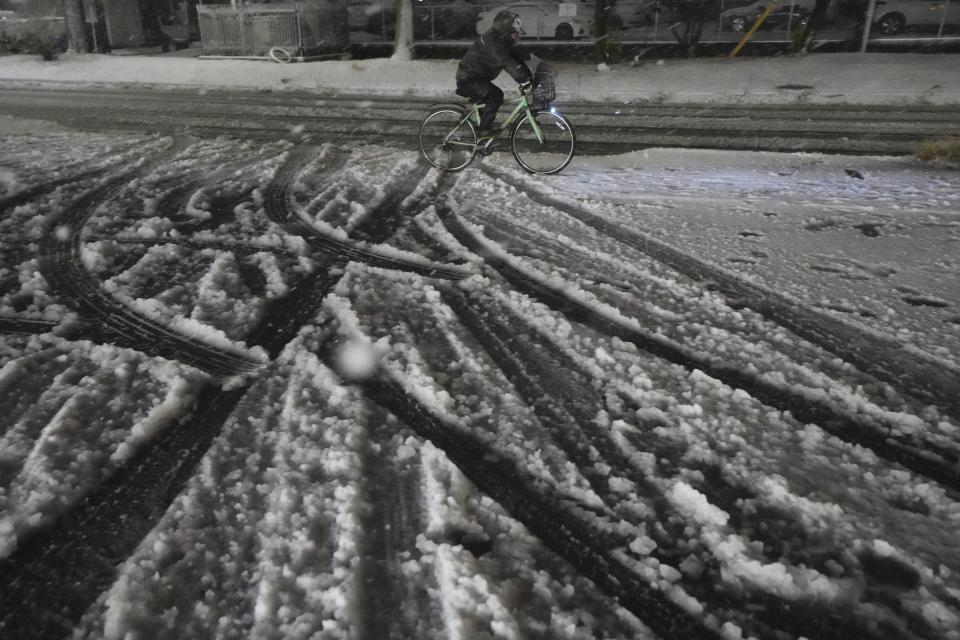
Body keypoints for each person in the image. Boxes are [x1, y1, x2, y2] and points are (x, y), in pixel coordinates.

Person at [455, 10, 532, 140]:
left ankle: (480, 142)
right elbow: (507, 63)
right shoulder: (494, 44)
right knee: (496, 95)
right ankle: (483, 132)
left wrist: (529, 76)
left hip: (477, 78)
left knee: (489, 100)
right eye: (515, 34)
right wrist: (522, 80)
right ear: (506, 32)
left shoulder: (501, 40)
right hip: (468, 79)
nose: (518, 37)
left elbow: (515, 59)